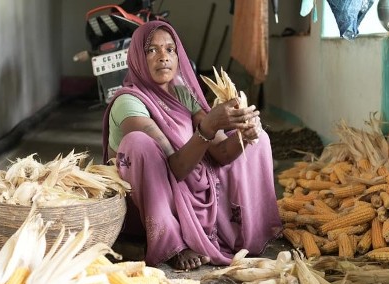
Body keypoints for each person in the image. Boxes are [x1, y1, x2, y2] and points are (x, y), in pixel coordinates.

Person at [102, 20, 282, 271]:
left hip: (187, 180)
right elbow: (173, 168)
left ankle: (235, 229)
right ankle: (171, 243)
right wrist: (207, 127)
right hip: (147, 198)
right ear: (137, 59)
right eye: (151, 50)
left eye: (170, 49)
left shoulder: (183, 95)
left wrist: (246, 135)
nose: (163, 57)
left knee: (257, 140)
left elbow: (220, 153)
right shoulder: (129, 102)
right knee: (138, 143)